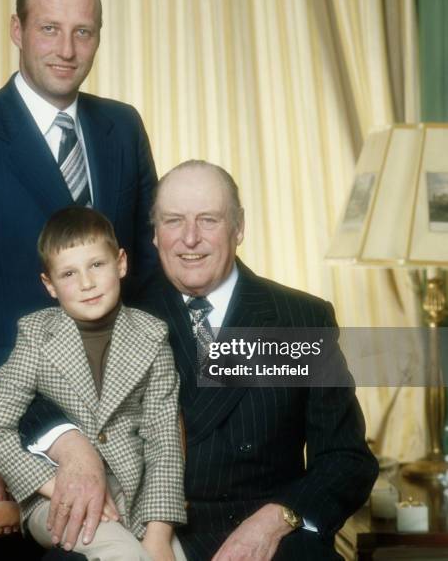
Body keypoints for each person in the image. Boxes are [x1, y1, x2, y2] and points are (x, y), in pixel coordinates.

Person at [0, 0, 158, 560]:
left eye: (84, 32)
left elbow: (146, 279)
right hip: (18, 433)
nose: (67, 49)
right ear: (16, 30)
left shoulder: (122, 128)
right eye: (50, 28)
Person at [19, 160, 379, 560]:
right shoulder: (106, 308)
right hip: (134, 527)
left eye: (208, 220)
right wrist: (70, 447)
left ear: (238, 227)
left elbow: (346, 459)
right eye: (173, 221)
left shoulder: (298, 319)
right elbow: (28, 400)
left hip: (264, 533)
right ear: (154, 234)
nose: (190, 239)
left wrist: (279, 518)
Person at [0, 207, 186, 561]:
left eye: (97, 265)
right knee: (126, 557)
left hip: (134, 501)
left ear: (121, 263)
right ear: (50, 285)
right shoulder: (37, 338)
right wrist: (58, 486)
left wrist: (159, 533)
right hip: (54, 500)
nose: (87, 283)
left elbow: (164, 444)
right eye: (69, 273)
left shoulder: (152, 338)